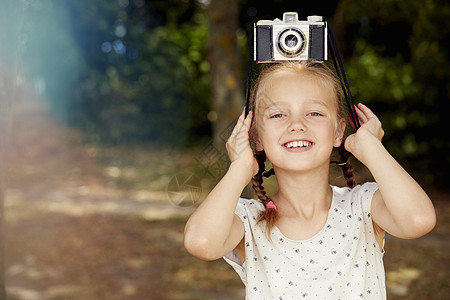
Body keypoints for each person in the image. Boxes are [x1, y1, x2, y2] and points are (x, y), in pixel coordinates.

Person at [183, 61, 436, 299]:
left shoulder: (363, 206)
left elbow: (418, 220)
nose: (296, 124)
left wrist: (371, 148)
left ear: (339, 131)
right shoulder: (250, 220)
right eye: (278, 115)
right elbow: (201, 242)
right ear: (256, 137)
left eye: (314, 113)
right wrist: (240, 167)